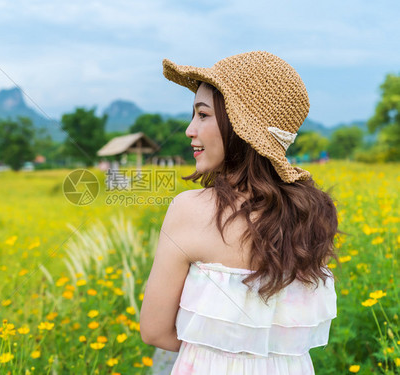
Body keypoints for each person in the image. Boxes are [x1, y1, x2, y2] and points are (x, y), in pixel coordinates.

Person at [140, 51, 340, 374]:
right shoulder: (313, 213)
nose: (190, 130)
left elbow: (154, 330)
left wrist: (218, 348)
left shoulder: (189, 210)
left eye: (203, 115)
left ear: (239, 125)